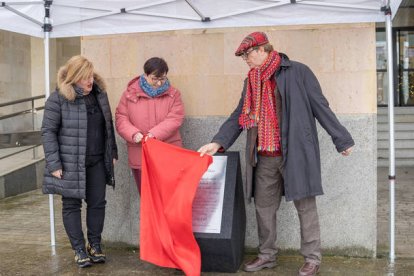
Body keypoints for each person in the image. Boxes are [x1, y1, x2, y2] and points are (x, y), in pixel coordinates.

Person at [198, 32, 355, 276]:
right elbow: (239, 115)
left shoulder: (299, 72)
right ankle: (267, 255)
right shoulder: (251, 80)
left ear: (263, 49)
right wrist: (217, 142)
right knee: (264, 208)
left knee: (306, 207)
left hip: (296, 153)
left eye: (248, 55)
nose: (246, 60)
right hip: (264, 156)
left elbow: (320, 106)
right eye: (243, 57)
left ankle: (312, 259)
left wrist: (341, 139)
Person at [41, 55, 118, 268]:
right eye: (85, 77)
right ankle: (79, 248)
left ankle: (95, 245)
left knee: (97, 203)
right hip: (69, 163)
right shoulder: (57, 99)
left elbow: (107, 127)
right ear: (74, 77)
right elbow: (48, 132)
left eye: (91, 75)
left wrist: (111, 152)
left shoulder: (100, 95)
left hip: (96, 161)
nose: (89, 80)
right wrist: (54, 164)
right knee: (71, 205)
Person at [115, 57, 185, 194]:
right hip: (140, 152)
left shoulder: (174, 94)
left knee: (169, 196)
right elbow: (121, 118)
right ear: (146, 75)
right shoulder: (129, 94)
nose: (159, 83)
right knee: (147, 198)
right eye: (155, 78)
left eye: (163, 78)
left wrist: (154, 134)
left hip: (167, 152)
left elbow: (175, 117)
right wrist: (133, 134)